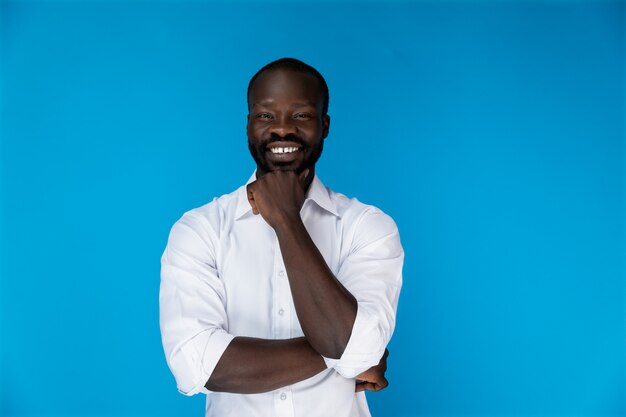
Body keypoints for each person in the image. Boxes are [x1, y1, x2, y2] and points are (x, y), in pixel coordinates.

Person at [159, 57, 404, 417]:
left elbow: (358, 349)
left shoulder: (367, 227)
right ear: (248, 126)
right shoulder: (200, 229)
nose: (282, 129)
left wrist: (287, 220)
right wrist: (344, 353)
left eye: (301, 115)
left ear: (324, 125)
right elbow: (198, 366)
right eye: (266, 116)